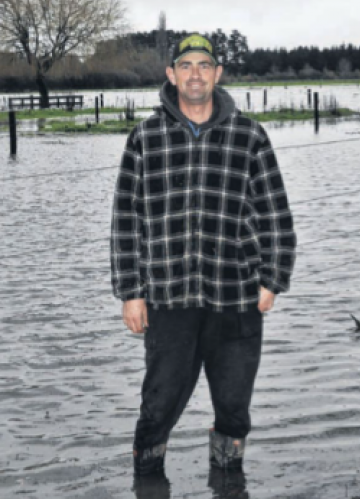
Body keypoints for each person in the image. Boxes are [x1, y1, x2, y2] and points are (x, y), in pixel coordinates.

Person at [110, 33, 296, 476]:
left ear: (218, 74)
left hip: (236, 296)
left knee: (234, 407)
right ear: (172, 75)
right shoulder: (145, 137)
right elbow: (125, 219)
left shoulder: (249, 136)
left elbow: (276, 215)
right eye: (187, 66)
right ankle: (148, 489)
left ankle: (230, 490)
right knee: (159, 404)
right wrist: (130, 292)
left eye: (204, 66)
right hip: (167, 295)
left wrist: (273, 279)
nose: (196, 74)